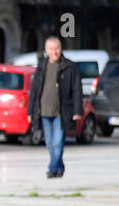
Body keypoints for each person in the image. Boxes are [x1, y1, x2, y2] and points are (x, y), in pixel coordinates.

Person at [27, 36, 83, 178]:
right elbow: (34, 90)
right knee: (50, 144)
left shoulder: (70, 67)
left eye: (57, 48)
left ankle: (51, 169)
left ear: (61, 49)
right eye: (51, 49)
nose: (55, 52)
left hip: (62, 112)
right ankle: (59, 167)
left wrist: (77, 111)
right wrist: (30, 111)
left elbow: (77, 90)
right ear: (46, 50)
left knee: (58, 142)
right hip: (44, 111)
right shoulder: (41, 66)